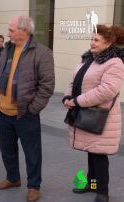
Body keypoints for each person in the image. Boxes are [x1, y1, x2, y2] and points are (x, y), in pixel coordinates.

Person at [0, 16, 55, 202]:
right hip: (3, 111)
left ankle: (34, 186)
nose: (7, 33)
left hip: (25, 113)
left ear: (23, 31)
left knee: (32, 152)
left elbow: (47, 86)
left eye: (11, 30)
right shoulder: (7, 49)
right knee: (6, 149)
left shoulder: (42, 52)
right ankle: (13, 178)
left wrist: (33, 109)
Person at [63, 25, 124, 202]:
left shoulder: (114, 62)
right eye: (91, 39)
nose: (92, 42)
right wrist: (67, 96)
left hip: (100, 117)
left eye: (96, 40)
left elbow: (107, 90)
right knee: (91, 151)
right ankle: (92, 184)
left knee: (98, 155)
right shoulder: (89, 58)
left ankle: (102, 192)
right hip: (87, 113)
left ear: (109, 42)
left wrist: (76, 101)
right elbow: (75, 81)